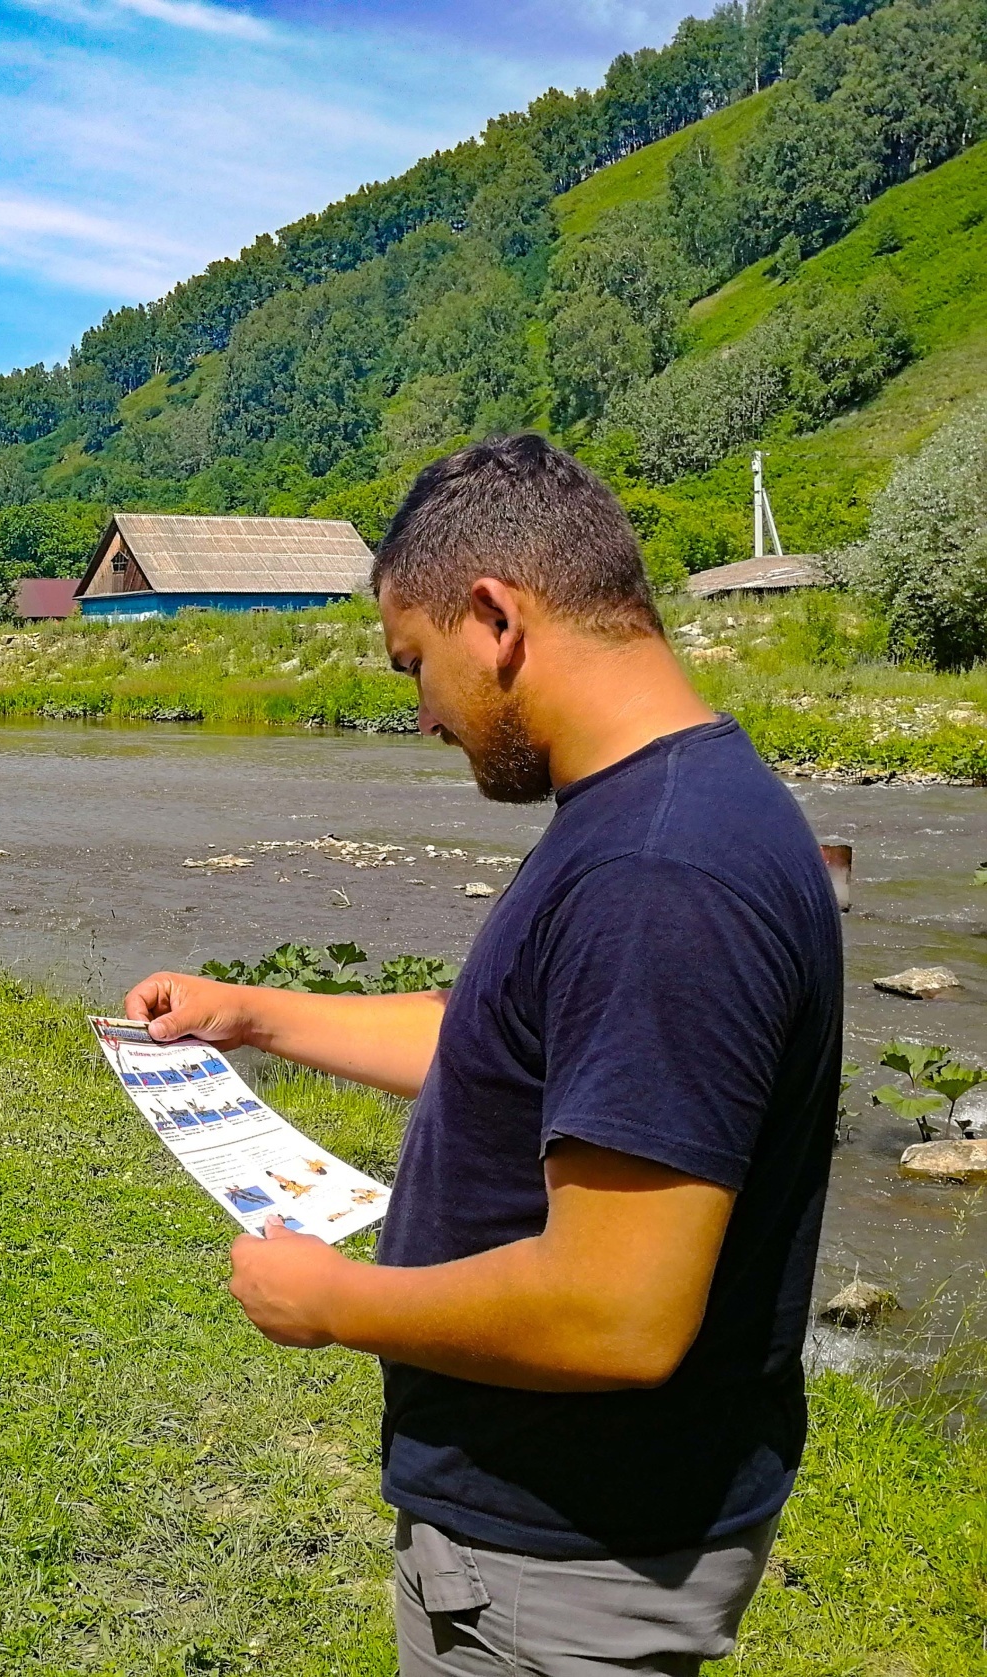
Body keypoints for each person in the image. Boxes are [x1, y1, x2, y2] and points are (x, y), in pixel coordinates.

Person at [124, 435, 841, 1675]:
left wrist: (338, 1304)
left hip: (569, 1555)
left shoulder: (654, 875)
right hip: (570, 1531)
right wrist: (253, 1013)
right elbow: (524, 1044)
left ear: (492, 616)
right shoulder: (662, 809)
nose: (422, 716)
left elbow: (615, 1315)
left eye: (416, 666)